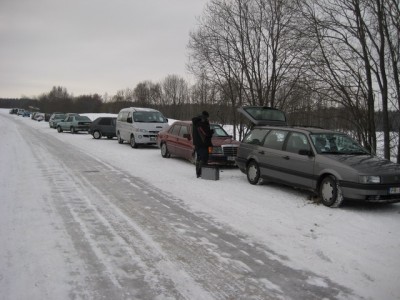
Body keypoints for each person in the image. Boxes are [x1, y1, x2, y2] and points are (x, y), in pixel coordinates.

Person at [192, 111, 214, 178]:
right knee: (203, 159)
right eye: (206, 117)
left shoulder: (196, 122)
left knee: (199, 159)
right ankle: (201, 173)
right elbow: (205, 133)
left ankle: (198, 173)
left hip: (198, 144)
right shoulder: (201, 123)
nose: (207, 119)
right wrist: (211, 132)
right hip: (203, 144)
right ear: (204, 116)